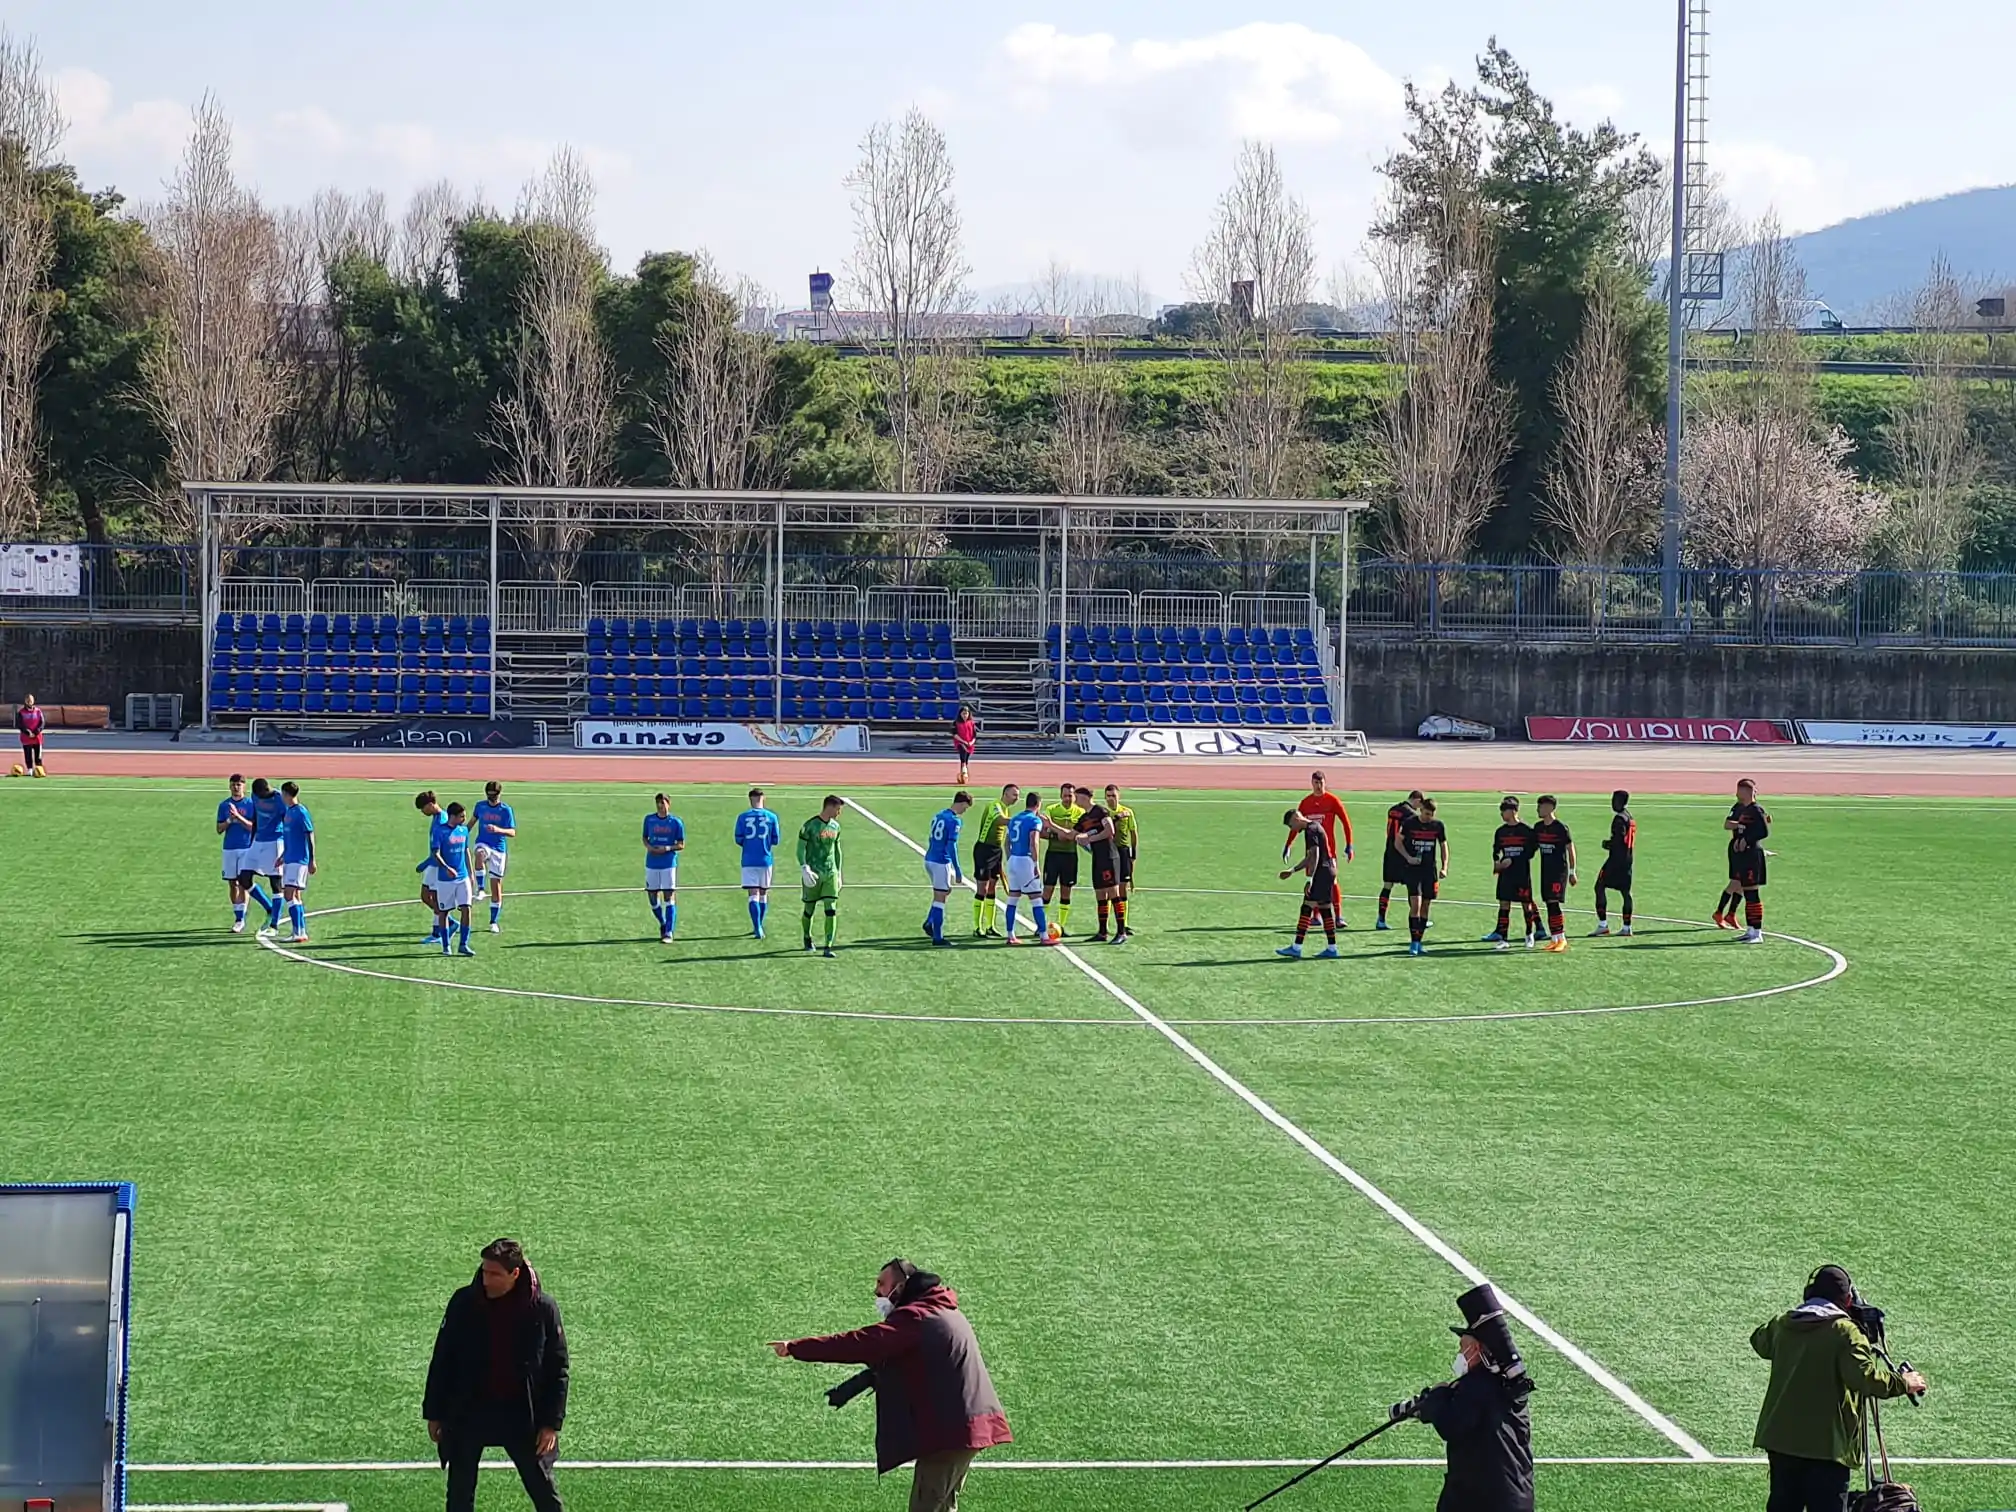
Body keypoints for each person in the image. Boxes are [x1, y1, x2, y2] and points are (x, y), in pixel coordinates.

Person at [769, 1259, 1012, 1512]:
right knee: (942, 1506)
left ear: (900, 1287)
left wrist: (796, 1347)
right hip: (967, 1426)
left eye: (881, 1284)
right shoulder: (941, 1310)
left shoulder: (917, 1316)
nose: (877, 1292)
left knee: (925, 1506)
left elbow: (862, 1343)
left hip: (953, 1432)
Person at [1751, 1265, 1927, 1512]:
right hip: (1827, 1445)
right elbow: (1865, 1379)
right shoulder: (1845, 1333)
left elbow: (1759, 1340)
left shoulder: (1783, 1325)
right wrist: (1904, 1382)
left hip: (1782, 1439)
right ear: (1847, 1299)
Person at [424, 1237, 569, 1512]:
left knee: (543, 1490)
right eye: (484, 1271)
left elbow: (557, 1368)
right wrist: (435, 1413)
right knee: (459, 1495)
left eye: (494, 1274)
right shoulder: (464, 1303)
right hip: (470, 1410)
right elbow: (443, 1359)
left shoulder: (542, 1309)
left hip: (521, 1414)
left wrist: (551, 1423)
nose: (486, 1279)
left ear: (515, 1274)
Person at [1396, 1284, 1535, 1512]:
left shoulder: (1477, 1385)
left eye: (1463, 1347)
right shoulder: (1506, 1385)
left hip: (1482, 1501)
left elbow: (1452, 1425)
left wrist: (1438, 1396)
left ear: (1477, 1349)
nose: (1460, 1353)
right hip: (1515, 1498)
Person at [1286, 770, 1354, 922]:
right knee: (1314, 882)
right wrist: (1288, 844)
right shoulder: (1305, 802)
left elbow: (1345, 822)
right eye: (1316, 783)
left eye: (1321, 783)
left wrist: (1349, 844)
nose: (1318, 786)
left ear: (1325, 782)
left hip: (1329, 850)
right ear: (1312, 783)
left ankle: (1338, 916)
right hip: (1311, 849)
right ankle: (1316, 917)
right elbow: (1296, 824)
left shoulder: (1332, 800)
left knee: (1333, 881)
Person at [1276, 809, 1340, 960]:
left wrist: (1310, 879)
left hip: (1322, 873)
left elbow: (1314, 855)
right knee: (1324, 909)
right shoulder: (1315, 826)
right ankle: (1332, 948)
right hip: (1329, 870)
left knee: (1306, 907)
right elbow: (1310, 857)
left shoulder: (1310, 830)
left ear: (1296, 818)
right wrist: (1293, 870)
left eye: (1291, 825)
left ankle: (1296, 947)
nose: (1293, 830)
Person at [1069, 785, 1128, 944]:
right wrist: (1049, 826)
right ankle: (1102, 932)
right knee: (1100, 895)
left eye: (1076, 797)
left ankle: (1121, 932)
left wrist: (1089, 838)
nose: (1074, 800)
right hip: (1098, 859)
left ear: (1084, 797)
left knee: (1113, 893)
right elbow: (1070, 835)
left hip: (1109, 857)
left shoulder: (1100, 811)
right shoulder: (1083, 818)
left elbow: (1110, 831)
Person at [1718, 778, 1771, 944]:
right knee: (1748, 893)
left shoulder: (1756, 810)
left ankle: (1757, 932)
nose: (1736, 793)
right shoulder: (1745, 810)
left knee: (1753, 894)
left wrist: (1746, 840)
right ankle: (1750, 930)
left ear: (1746, 792)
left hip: (1752, 855)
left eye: (1739, 790)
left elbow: (1763, 832)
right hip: (1744, 855)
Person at [1484, 797, 1541, 951]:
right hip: (1506, 874)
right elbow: (1496, 850)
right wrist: (1497, 862)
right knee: (1504, 905)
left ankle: (1529, 934)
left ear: (1514, 811)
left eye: (1505, 810)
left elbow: (1531, 852)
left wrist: (1514, 860)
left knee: (1526, 905)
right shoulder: (1500, 831)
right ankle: (1503, 938)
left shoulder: (1527, 831)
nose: (1502, 814)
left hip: (1521, 873)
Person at [1002, 792, 1055, 946]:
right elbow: (1034, 842)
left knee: (1013, 898)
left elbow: (1006, 842)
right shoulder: (1034, 820)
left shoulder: (1014, 819)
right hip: (1026, 860)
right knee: (1036, 898)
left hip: (1013, 859)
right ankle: (1044, 936)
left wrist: (1010, 858)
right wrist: (1036, 864)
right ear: (1038, 804)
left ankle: (1010, 935)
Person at [1399, 797, 1449, 958]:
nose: (1429, 817)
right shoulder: (1409, 823)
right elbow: (1398, 842)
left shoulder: (1437, 826)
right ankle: (1413, 942)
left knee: (1426, 906)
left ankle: (1419, 942)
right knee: (1416, 905)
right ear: (1421, 809)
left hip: (1430, 871)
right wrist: (1408, 857)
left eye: (1432, 814)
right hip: (1413, 870)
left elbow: (1443, 846)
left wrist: (1444, 867)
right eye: (1427, 813)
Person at [922, 792, 972, 946]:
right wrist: (957, 870)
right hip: (941, 862)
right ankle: (938, 937)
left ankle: (930, 921)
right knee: (940, 899)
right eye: (966, 807)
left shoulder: (939, 815)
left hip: (929, 859)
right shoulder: (954, 821)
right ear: (962, 803)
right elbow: (951, 846)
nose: (965, 811)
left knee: (944, 890)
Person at [798, 795, 844, 957]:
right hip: (813, 874)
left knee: (831, 909)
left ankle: (828, 946)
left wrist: (839, 873)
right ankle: (807, 937)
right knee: (809, 908)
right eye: (838, 809)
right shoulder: (809, 826)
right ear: (829, 807)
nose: (839, 813)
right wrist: (804, 867)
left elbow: (837, 851)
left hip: (830, 873)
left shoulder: (836, 827)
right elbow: (800, 849)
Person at [734, 787, 783, 940]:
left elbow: (738, 839)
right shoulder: (772, 817)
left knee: (752, 894)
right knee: (763, 893)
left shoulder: (743, 817)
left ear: (750, 799)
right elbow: (775, 840)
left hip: (748, 860)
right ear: (764, 798)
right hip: (765, 859)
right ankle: (759, 925)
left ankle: (756, 927)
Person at [969, 784, 1018, 938]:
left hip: (996, 852)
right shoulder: (995, 806)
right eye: (1014, 795)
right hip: (984, 850)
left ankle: (990, 925)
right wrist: (1021, 820)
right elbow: (1000, 821)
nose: (1016, 798)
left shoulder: (1007, 809)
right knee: (982, 888)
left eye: (1017, 795)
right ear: (1005, 794)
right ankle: (977, 927)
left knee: (992, 888)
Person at [1530, 795, 1577, 953]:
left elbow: (1570, 849)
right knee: (1549, 903)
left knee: (1554, 902)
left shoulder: (1560, 828)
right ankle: (1554, 938)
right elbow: (1532, 847)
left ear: (1550, 808)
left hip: (1559, 872)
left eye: (1540, 806)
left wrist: (1572, 871)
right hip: (1545, 871)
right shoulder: (1538, 828)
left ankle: (1561, 938)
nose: (1537, 809)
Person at [1375, 791, 1425, 931]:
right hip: (1403, 853)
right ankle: (1418, 918)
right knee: (1413, 886)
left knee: (1387, 886)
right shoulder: (1411, 815)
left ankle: (1381, 919)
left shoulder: (1392, 810)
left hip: (1389, 851)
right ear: (1416, 800)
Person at [432, 802, 477, 956]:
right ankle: (446, 945)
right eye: (462, 816)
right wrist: (446, 868)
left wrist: (471, 874)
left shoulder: (463, 831)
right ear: (453, 816)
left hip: (462, 877)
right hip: (445, 879)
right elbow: (436, 853)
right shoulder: (440, 831)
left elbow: (466, 852)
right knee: (444, 912)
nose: (465, 819)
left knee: (467, 909)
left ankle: (463, 944)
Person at [472, 781, 517, 932]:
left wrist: (498, 829)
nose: (491, 798)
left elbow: (512, 832)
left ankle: (493, 921)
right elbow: (471, 823)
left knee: (496, 887)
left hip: (498, 849)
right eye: (489, 795)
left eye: (494, 795)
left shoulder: (505, 810)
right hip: (483, 843)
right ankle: (480, 889)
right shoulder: (480, 806)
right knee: (479, 854)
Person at [1590, 790, 1636, 938]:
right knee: (1626, 892)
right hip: (1628, 860)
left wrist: (1607, 844)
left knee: (1599, 886)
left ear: (1621, 802)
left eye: (1615, 800)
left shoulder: (1619, 819)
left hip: (1616, 860)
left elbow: (1619, 840)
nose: (1612, 803)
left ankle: (1603, 925)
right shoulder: (1630, 817)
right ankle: (1627, 927)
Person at [246, 777, 288, 936]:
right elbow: (256, 817)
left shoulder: (279, 800)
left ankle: (274, 926)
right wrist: (252, 840)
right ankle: (269, 907)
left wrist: (286, 848)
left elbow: (287, 822)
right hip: (258, 841)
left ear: (266, 790)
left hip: (275, 842)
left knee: (276, 883)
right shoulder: (255, 795)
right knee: (243, 877)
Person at [1041, 783, 1084, 935]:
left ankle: (1061, 925)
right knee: (1047, 890)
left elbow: (1080, 834)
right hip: (1053, 855)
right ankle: (1041, 925)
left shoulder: (1080, 812)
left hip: (1070, 856)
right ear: (1060, 796)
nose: (1067, 798)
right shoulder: (1051, 810)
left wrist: (1067, 835)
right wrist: (1056, 835)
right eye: (1065, 795)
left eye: (1070, 795)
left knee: (1066, 892)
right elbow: (1041, 832)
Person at [277, 780, 317, 945]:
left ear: (286, 794)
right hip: (290, 858)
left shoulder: (301, 812)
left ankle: (298, 931)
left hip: (299, 860)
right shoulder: (288, 812)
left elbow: (310, 835)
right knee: (295, 896)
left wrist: (312, 860)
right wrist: (283, 855)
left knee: (288, 894)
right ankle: (300, 931)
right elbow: (289, 837)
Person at [643, 793, 685, 944]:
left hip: (668, 864)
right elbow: (645, 838)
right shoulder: (649, 820)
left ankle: (668, 931)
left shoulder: (676, 822)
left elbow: (681, 844)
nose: (660, 806)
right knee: (652, 895)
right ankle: (662, 921)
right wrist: (650, 848)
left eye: (663, 803)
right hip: (652, 863)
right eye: (658, 803)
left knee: (669, 896)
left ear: (669, 803)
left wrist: (666, 848)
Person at [217, 773, 256, 933]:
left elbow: (253, 827)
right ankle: (237, 913)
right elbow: (219, 829)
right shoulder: (224, 805)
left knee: (243, 883)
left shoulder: (250, 804)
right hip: (229, 848)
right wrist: (229, 821)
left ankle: (240, 918)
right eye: (233, 784)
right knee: (232, 883)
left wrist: (238, 817)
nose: (236, 787)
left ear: (244, 786)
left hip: (246, 848)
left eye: (239, 784)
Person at [1104, 784, 1139, 932]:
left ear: (1119, 796)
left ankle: (1123, 923)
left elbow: (1133, 833)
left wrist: (1133, 854)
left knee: (1123, 887)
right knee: (1108, 889)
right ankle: (1104, 925)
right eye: (1108, 796)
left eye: (1113, 795)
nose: (1111, 799)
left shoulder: (1128, 812)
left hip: (1123, 851)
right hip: (1109, 852)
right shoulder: (1104, 813)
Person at [415, 791, 449, 945]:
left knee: (435, 898)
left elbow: (442, 847)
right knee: (425, 896)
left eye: (423, 809)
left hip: (438, 865)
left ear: (430, 805)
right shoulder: (436, 818)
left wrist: (426, 863)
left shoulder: (443, 820)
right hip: (432, 863)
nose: (422, 812)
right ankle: (448, 922)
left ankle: (438, 932)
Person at [14, 693, 46, 775]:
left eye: (31, 700)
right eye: (28, 700)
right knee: (28, 755)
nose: (29, 702)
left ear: (33, 701)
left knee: (38, 755)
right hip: (26, 738)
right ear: (25, 701)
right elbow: (19, 724)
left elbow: (42, 723)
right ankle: (30, 770)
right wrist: (27, 732)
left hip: (37, 738)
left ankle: (39, 769)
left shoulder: (38, 711)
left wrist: (36, 732)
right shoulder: (21, 712)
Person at [951, 706, 978, 785]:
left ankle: (963, 773)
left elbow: (974, 735)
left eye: (966, 714)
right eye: (963, 714)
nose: (965, 715)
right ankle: (964, 772)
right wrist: (963, 741)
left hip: (970, 743)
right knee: (963, 755)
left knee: (966, 759)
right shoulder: (956, 723)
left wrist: (971, 742)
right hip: (960, 742)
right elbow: (955, 734)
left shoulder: (972, 723)